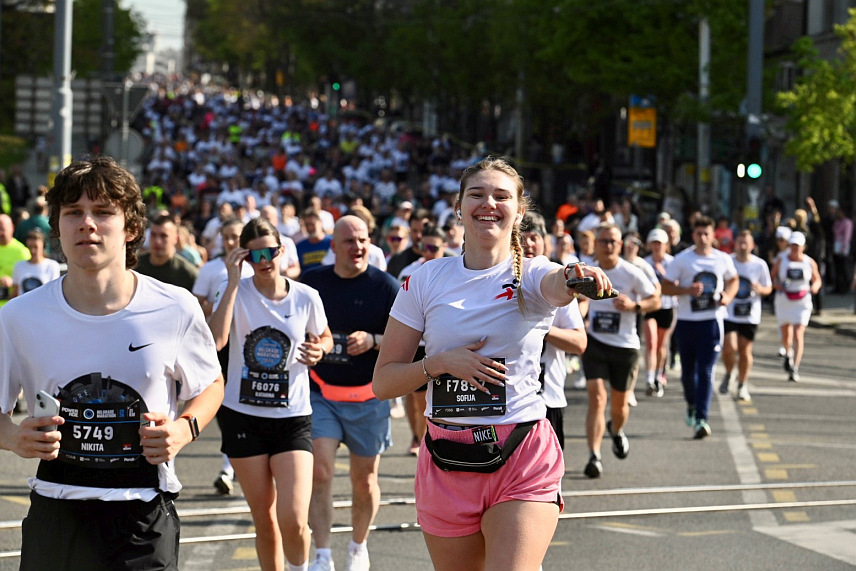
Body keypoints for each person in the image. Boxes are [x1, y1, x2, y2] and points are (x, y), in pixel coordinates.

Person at [372, 157, 612, 570]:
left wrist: (574, 276)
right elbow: (383, 383)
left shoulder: (535, 274)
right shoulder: (425, 280)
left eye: (501, 196)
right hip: (446, 460)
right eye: (477, 194)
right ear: (459, 205)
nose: (489, 204)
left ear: (519, 211)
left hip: (521, 454)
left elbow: (558, 283)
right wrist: (440, 363)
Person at [0, 156, 224, 570]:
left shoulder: (175, 307)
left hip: (142, 514)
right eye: (73, 213)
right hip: (57, 510)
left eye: (103, 212)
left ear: (131, 228)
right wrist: (13, 438)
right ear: (58, 228)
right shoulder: (18, 316)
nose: (87, 223)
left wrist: (183, 429)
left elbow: (210, 384)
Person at [209, 216, 333, 571]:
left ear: (282, 251)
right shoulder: (232, 289)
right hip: (242, 416)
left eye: (271, 252)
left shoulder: (307, 297)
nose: (264, 261)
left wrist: (319, 350)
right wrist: (233, 283)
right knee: (264, 519)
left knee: (293, 517)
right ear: (243, 256)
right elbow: (215, 340)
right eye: (255, 254)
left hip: (292, 417)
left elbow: (323, 337)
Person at [301, 216, 400, 571]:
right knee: (321, 472)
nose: (357, 247)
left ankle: (359, 545)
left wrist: (373, 341)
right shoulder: (312, 284)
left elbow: (413, 340)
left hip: (368, 396)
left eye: (362, 240)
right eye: (349, 241)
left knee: (365, 480)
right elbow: (292, 327)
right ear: (333, 246)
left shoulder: (386, 286)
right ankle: (323, 553)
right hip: (320, 392)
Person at [582, 224, 659, 478]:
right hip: (594, 340)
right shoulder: (587, 269)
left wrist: (634, 305)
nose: (608, 246)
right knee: (596, 397)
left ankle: (616, 430)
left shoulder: (631, 272)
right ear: (597, 244)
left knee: (619, 405)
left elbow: (654, 300)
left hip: (624, 345)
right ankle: (594, 456)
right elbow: (574, 298)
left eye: (613, 242)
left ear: (621, 245)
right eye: (603, 241)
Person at [192, 217, 255, 495]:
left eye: (236, 236)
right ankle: (228, 468)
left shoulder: (259, 267)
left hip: (255, 348)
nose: (231, 242)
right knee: (227, 408)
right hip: (223, 346)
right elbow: (198, 304)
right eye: (226, 236)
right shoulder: (212, 268)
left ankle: (245, 463)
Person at [662, 216, 738, 439]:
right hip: (687, 322)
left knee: (705, 371)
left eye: (707, 233)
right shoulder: (682, 260)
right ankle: (692, 405)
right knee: (688, 373)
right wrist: (687, 291)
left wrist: (727, 297)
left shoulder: (722, 259)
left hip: (711, 322)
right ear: (693, 235)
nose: (703, 238)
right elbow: (665, 287)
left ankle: (702, 418)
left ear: (713, 235)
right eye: (698, 234)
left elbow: (733, 280)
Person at [519, 212, 587, 450]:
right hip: (508, 404)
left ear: (546, 243)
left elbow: (580, 342)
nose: (527, 244)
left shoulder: (559, 284)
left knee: (548, 483)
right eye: (520, 238)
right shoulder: (500, 280)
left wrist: (542, 330)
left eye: (533, 237)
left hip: (548, 399)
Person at [719, 230, 773, 400]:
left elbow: (768, 287)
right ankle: (729, 373)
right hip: (729, 313)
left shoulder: (759, 265)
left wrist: (760, 289)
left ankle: (742, 384)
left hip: (750, 314)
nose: (742, 246)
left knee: (745, 350)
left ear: (752, 246)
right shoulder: (728, 261)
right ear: (735, 244)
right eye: (739, 242)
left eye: (745, 243)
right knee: (729, 347)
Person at [770, 231, 822, 382]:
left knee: (798, 333)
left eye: (797, 246)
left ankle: (795, 367)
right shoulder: (781, 260)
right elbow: (771, 277)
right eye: (792, 245)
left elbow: (817, 279)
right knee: (786, 334)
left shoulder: (809, 262)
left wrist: (815, 287)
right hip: (784, 299)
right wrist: (776, 285)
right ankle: (788, 354)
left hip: (802, 301)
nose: (794, 248)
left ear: (803, 247)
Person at [642, 228, 676, 397]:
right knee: (651, 343)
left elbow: (676, 283)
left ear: (666, 246)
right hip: (650, 307)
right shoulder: (644, 262)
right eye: (654, 243)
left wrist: (662, 273)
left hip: (668, 307)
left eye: (660, 244)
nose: (656, 247)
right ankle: (649, 379)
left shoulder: (672, 262)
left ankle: (658, 376)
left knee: (661, 346)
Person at [136, 213, 199, 291]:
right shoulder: (135, 266)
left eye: (164, 236)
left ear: (175, 239)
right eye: (153, 235)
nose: (157, 241)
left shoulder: (187, 273)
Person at [11, 229, 60, 297]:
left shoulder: (52, 266)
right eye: (30, 247)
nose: (32, 251)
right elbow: (15, 292)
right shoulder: (19, 265)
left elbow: (54, 292)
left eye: (36, 247)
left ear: (43, 246)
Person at [0, 213, 31, 305]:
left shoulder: (21, 251)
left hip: (12, 305)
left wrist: (13, 282)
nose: (0, 233)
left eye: (3, 229)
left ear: (12, 228)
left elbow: (29, 278)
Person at [295, 208, 332, 272]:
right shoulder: (300, 246)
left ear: (320, 223)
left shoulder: (332, 243)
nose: (310, 228)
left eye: (312, 224)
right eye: (307, 225)